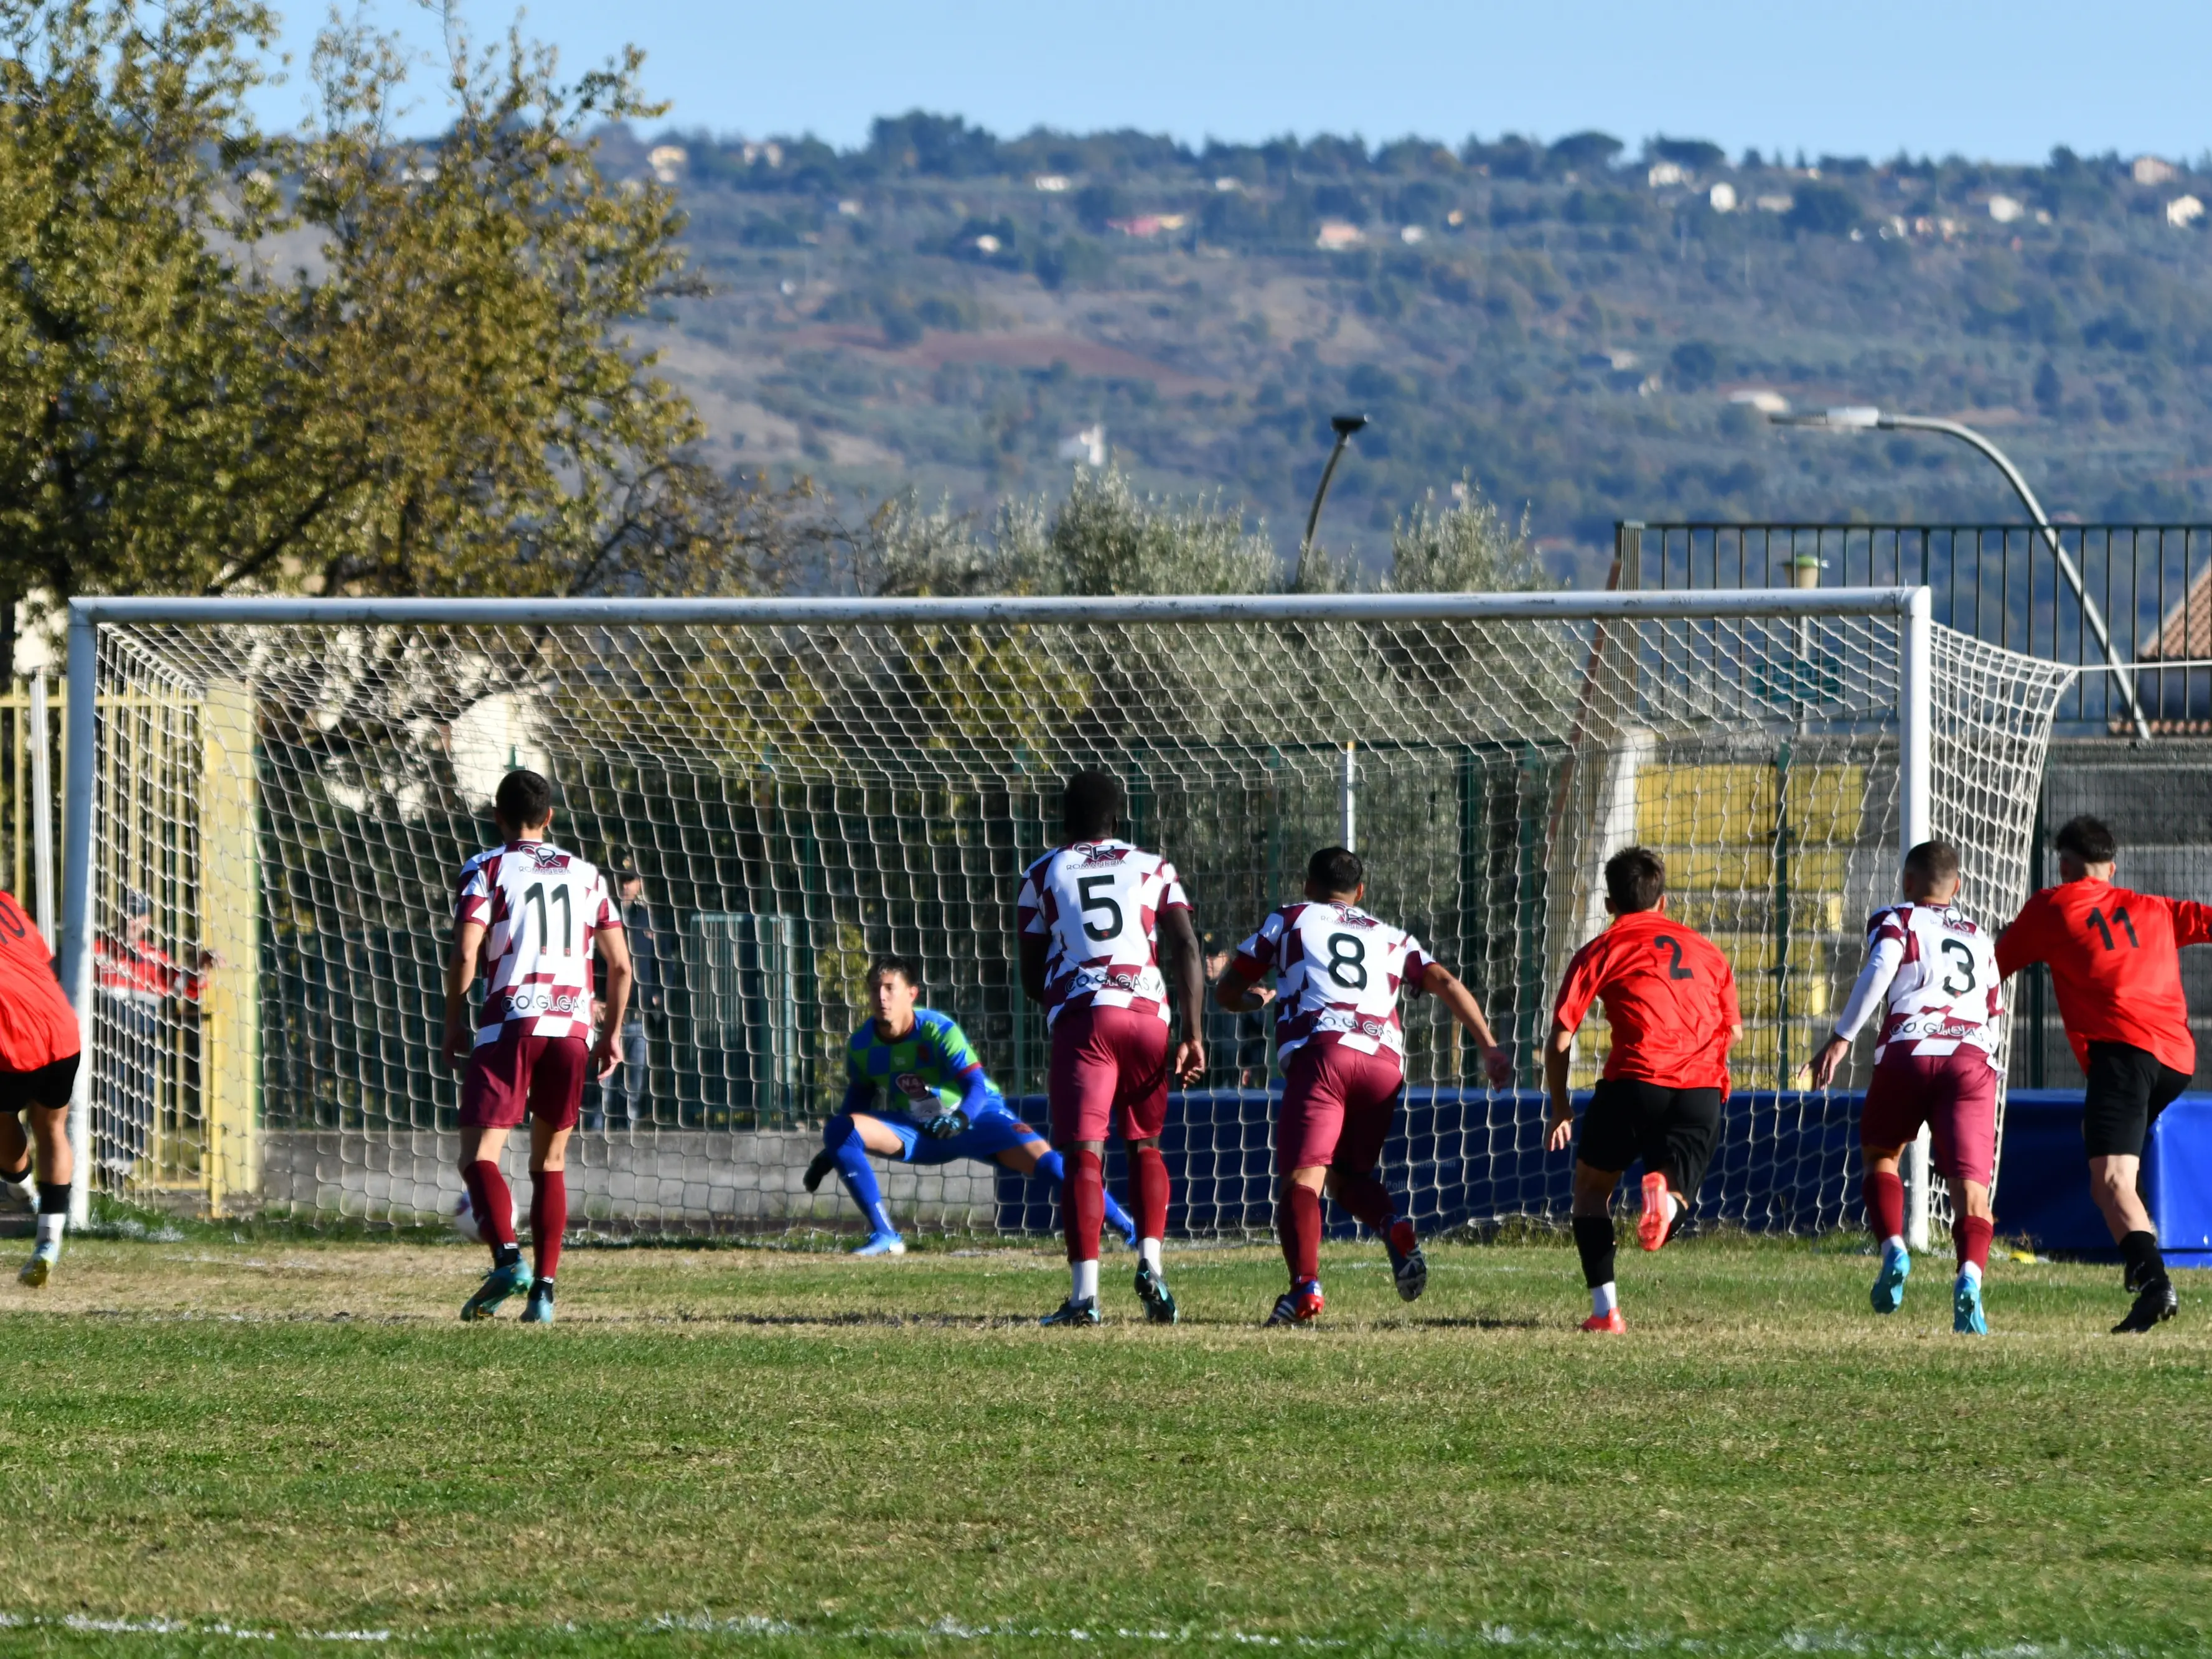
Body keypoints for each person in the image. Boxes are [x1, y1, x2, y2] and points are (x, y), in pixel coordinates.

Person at [1216, 846, 1516, 1325]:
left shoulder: (1291, 917)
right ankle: (1393, 1224)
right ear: (1360, 893)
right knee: (1348, 1177)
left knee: (1303, 1180)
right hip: (1382, 1063)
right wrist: (1489, 1046)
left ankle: (1305, 1289)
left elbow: (1227, 989)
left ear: (1308, 886)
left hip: (1324, 1052)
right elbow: (1443, 980)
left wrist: (1253, 1001)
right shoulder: (1391, 936)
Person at [1995, 813, 2212, 1334]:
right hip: (2177, 1060)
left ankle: (2153, 1280)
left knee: (2110, 1179)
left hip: (2124, 1053)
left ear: (2064, 866)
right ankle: (2143, 1252)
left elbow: (1992, 965)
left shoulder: (2052, 905)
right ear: (2111, 867)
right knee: (2104, 1154)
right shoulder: (2154, 908)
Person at [443, 769, 633, 1326]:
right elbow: (620, 967)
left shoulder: (484, 868)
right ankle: (543, 1296)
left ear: (498, 817)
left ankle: (507, 1258)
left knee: (478, 1158)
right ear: (549, 817)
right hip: (573, 1028)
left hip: (510, 1024)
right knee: (550, 1162)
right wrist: (612, 1034)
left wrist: (453, 1021)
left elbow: (466, 955)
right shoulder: (586, 874)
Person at [1018, 769, 1206, 1327]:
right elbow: (1187, 946)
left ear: (1063, 820)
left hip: (1088, 1018)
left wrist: (1063, 993)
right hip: (1149, 1016)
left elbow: (1030, 974)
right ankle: (1151, 1261)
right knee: (1146, 1145)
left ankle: (1084, 1298)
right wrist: (1193, 1032)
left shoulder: (1042, 871)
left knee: (1085, 1154)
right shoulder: (1153, 866)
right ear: (1119, 821)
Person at [802, 954, 1138, 1256]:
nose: (881, 997)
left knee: (1052, 1166)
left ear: (912, 994)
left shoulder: (937, 1030)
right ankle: (886, 1236)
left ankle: (1130, 1230)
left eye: (890, 988)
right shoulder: (862, 1045)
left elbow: (975, 1086)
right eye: (875, 989)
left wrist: (961, 1119)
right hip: (921, 1131)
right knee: (841, 1129)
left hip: (979, 1119)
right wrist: (834, 1147)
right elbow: (857, 1102)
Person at [1809, 841, 2003, 1335]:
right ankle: (1970, 1280)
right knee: (1971, 1191)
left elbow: (1881, 968)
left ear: (1907, 883)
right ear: (1957, 887)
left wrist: (1841, 1038)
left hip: (1909, 1050)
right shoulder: (1980, 936)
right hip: (1970, 1058)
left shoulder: (1897, 918)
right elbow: (1995, 1012)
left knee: (1881, 1155)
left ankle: (1893, 1247)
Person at [1546, 846, 1741, 1333]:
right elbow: (1733, 1031)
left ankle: (1605, 1311)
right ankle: (1667, 1200)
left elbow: (1561, 1037)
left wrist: (1561, 1107)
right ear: (1665, 901)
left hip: (1635, 1082)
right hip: (1701, 1089)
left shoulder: (1602, 948)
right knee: (1677, 1191)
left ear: (1609, 905)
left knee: (1591, 1192)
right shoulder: (1709, 953)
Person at [93, 888, 211, 1179]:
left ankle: (128, 1165)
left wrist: (202, 967)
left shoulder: (155, 958)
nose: (132, 921)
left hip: (143, 1045)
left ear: (147, 920)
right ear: (117, 915)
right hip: (106, 1045)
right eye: (127, 914)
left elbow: (187, 986)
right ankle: (109, 1166)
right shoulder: (97, 950)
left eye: (138, 916)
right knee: (109, 1099)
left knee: (141, 1101)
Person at [0, 888, 85, 1285]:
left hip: (11, 1036)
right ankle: (48, 1243)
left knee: (2, 1120)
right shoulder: (5, 901)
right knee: (52, 1128)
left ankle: (20, 1189)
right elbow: (41, 957)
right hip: (60, 1026)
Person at [583, 866, 660, 1131]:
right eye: (622, 880)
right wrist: (592, 998)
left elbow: (661, 961)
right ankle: (595, 1132)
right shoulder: (603, 915)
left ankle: (630, 1131)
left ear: (639, 884)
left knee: (634, 1081)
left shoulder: (646, 919)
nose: (626, 886)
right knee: (603, 1082)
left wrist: (657, 994)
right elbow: (591, 961)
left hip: (637, 1014)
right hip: (606, 1013)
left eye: (631, 880)